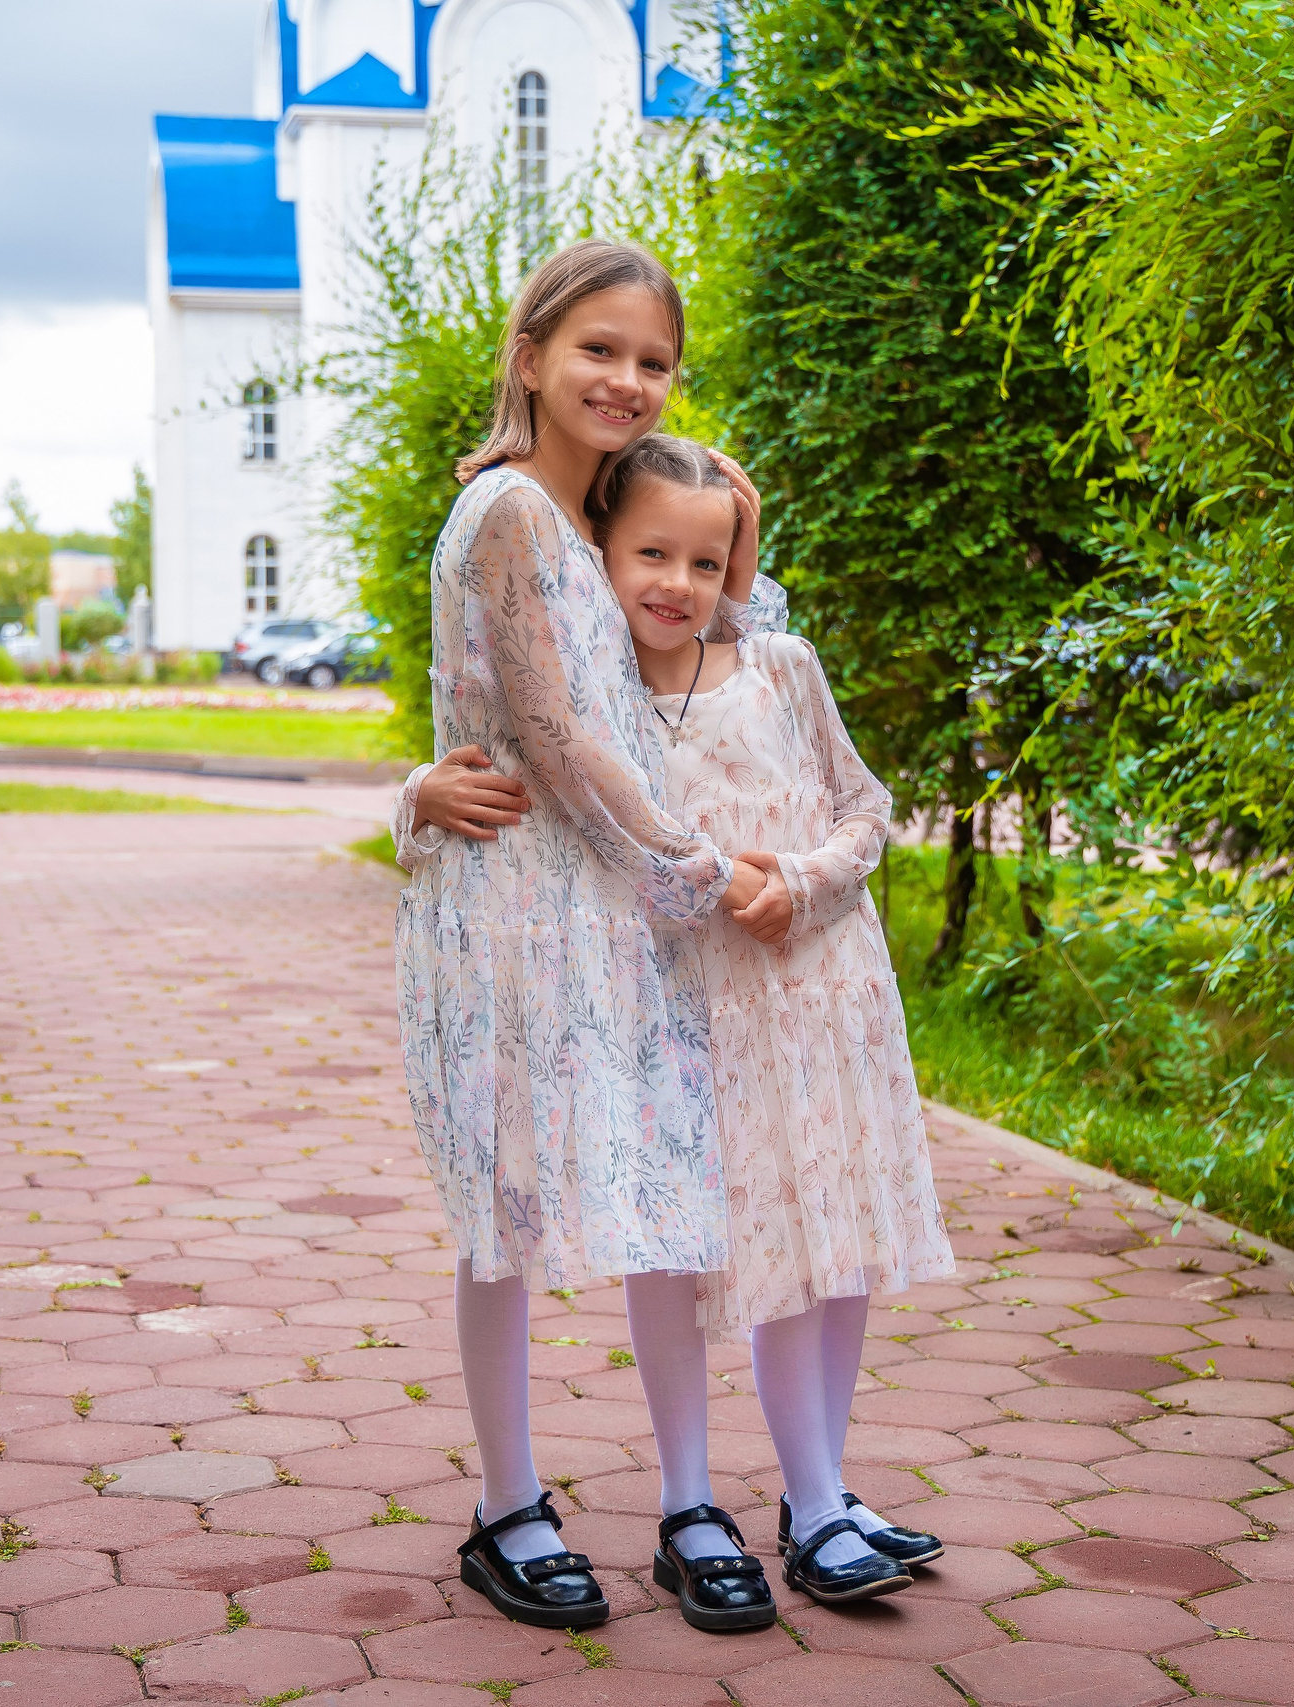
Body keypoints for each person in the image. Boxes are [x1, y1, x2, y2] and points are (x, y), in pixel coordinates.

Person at [407, 433, 957, 1608]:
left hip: (821, 992)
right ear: (599, 549)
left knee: (832, 1240)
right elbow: (515, 728)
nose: (676, 581)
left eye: (704, 563)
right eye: (647, 551)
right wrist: (409, 789)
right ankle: (690, 1502)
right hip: (682, 996)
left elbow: (860, 802)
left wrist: (803, 882)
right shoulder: (598, 670)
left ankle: (819, 1497)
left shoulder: (774, 662)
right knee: (690, 1240)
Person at [389, 239, 788, 1635]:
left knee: (668, 1196)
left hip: (620, 909)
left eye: (653, 359)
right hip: (516, 909)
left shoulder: (610, 514)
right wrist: (692, 865)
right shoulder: (505, 511)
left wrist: (743, 529)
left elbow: (693, 672)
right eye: (598, 350)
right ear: (532, 353)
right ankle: (509, 1505)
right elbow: (550, 739)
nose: (625, 379)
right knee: (506, 1210)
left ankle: (690, 1500)